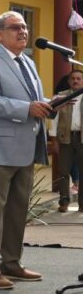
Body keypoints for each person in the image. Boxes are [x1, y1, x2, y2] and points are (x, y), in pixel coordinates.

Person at [0, 11, 51, 290]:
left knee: (18, 210)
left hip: (26, 146)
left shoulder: (27, 62)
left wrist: (53, 103)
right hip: (0, 147)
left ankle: (11, 263)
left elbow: (32, 100)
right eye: (16, 27)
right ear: (0, 33)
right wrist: (28, 108)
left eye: (25, 27)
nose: (23, 32)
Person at [49, 69, 83, 212]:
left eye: (79, 78)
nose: (76, 81)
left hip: (82, 138)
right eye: (73, 78)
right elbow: (54, 119)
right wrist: (53, 139)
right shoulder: (61, 97)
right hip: (65, 137)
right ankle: (64, 202)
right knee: (63, 171)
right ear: (69, 81)